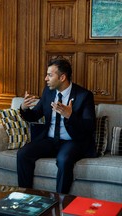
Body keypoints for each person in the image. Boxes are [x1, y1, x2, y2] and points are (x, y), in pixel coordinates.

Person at [17, 58, 97, 194]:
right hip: (50, 140)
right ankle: (26, 196)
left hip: (72, 141)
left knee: (64, 160)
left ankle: (60, 200)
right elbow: (35, 115)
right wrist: (24, 108)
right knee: (23, 153)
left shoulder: (84, 95)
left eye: (49, 75)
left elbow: (89, 126)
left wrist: (70, 116)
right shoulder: (48, 92)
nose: (45, 79)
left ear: (62, 77)